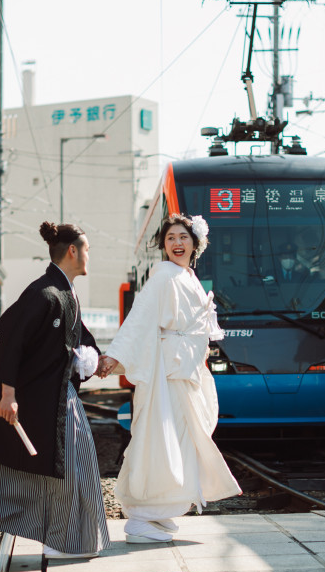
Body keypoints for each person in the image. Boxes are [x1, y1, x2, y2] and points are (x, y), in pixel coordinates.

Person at [0, 221, 110, 560]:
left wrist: (98, 359)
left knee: (64, 468)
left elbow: (80, 338)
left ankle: (66, 540)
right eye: (86, 249)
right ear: (73, 251)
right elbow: (8, 342)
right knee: (59, 470)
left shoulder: (64, 293)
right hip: (36, 399)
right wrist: (7, 394)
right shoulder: (43, 293)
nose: (88, 256)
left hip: (55, 398)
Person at [97, 214, 241, 544]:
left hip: (184, 370)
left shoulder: (186, 276)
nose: (176, 243)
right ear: (164, 245)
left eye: (182, 237)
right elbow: (140, 317)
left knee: (180, 440)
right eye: (170, 238)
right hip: (168, 373)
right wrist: (116, 355)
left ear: (195, 244)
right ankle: (143, 517)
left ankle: (157, 512)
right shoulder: (163, 275)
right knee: (163, 439)